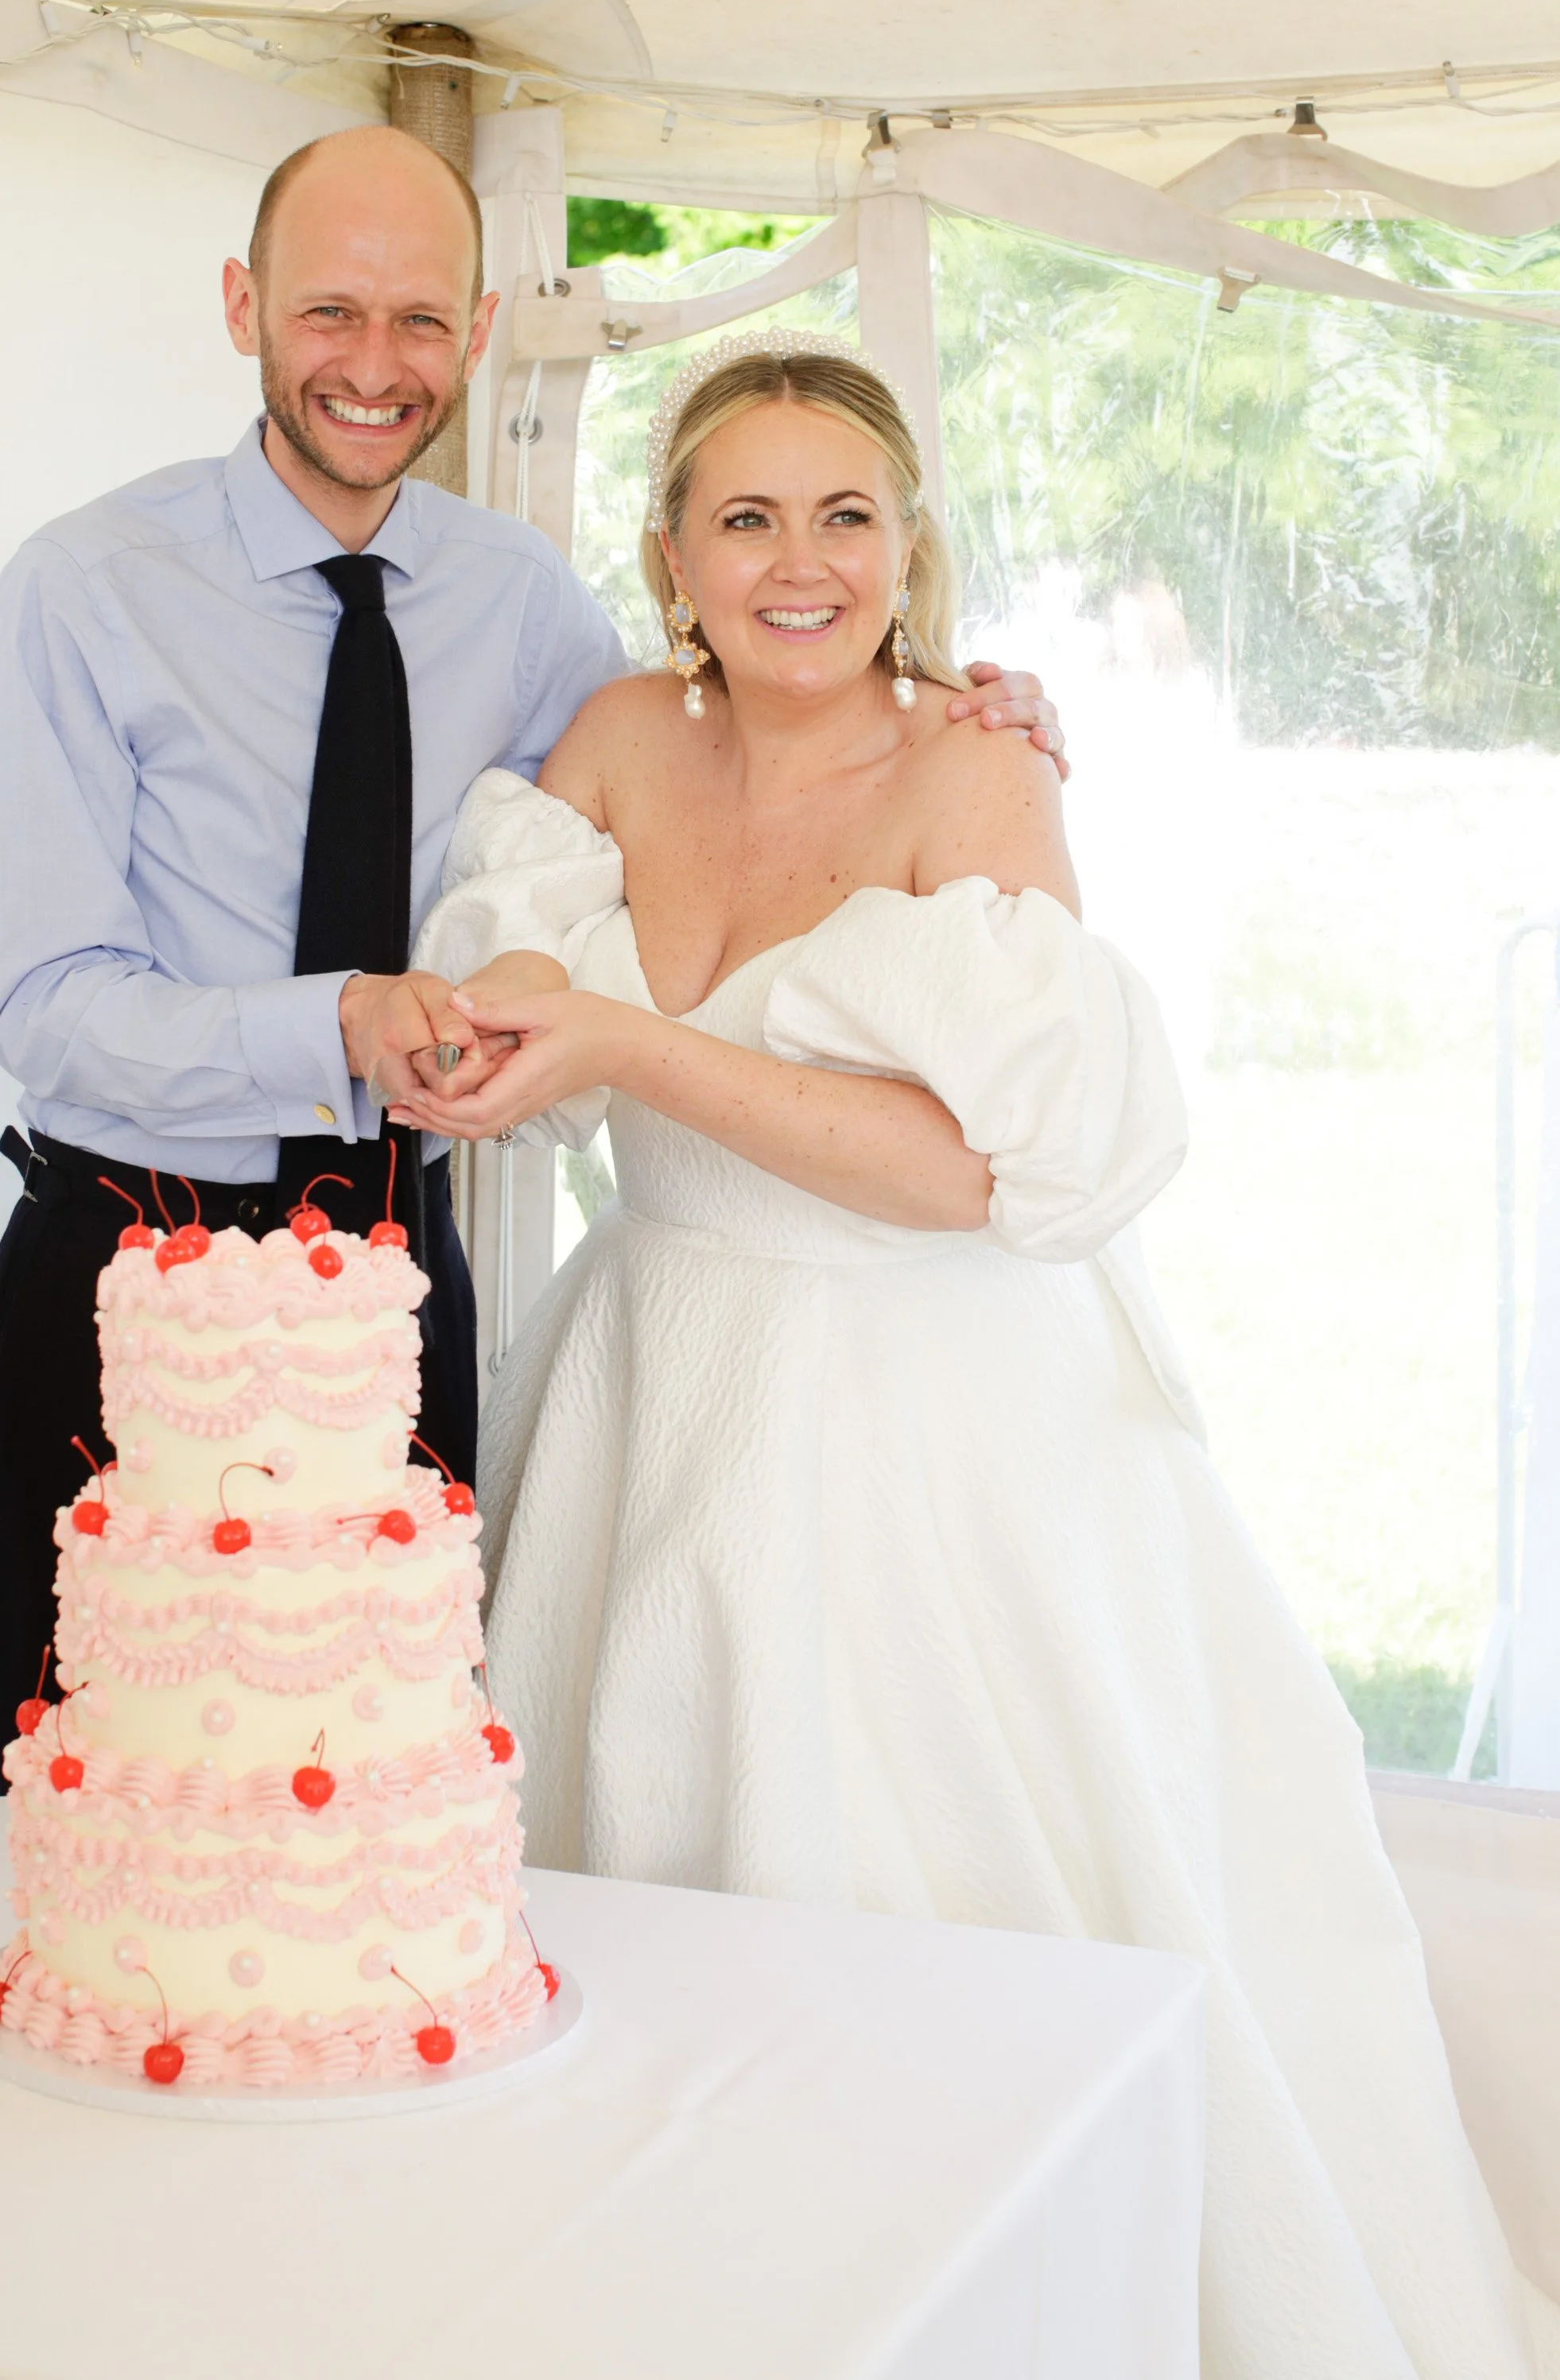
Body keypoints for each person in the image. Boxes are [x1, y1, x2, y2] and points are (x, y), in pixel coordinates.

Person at [389, 332, 1558, 2380]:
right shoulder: (600, 748)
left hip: (936, 1427)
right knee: (648, 1895)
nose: (798, 562)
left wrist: (634, 1043)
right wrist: (479, 1035)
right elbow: (516, 1016)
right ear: (670, 559)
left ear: (911, 546)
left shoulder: (974, 769)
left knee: (956, 1920)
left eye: (844, 515)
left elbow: (965, 1177)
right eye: (744, 516)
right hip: (657, 1382)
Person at [0, 141, 1065, 1769]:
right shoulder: (83, 588)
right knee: (120, 1818)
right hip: (130, 1269)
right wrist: (340, 1021)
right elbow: (48, 1014)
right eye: (327, 310)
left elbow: (732, 743)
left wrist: (966, 707)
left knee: (401, 1817)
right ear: (240, 307)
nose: (371, 363)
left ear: (477, 333)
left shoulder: (529, 608)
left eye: (418, 319)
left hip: (407, 1260)